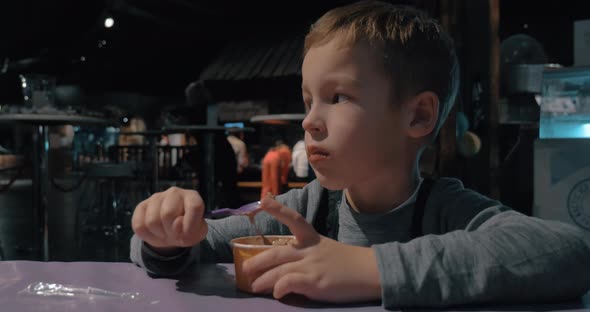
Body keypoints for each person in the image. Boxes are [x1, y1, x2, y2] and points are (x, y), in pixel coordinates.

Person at [129, 1, 590, 308]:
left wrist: (372, 269)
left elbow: (570, 252)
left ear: (417, 117)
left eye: (338, 97)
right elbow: (195, 246)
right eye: (309, 99)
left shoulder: (447, 209)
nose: (309, 120)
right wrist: (165, 234)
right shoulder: (303, 211)